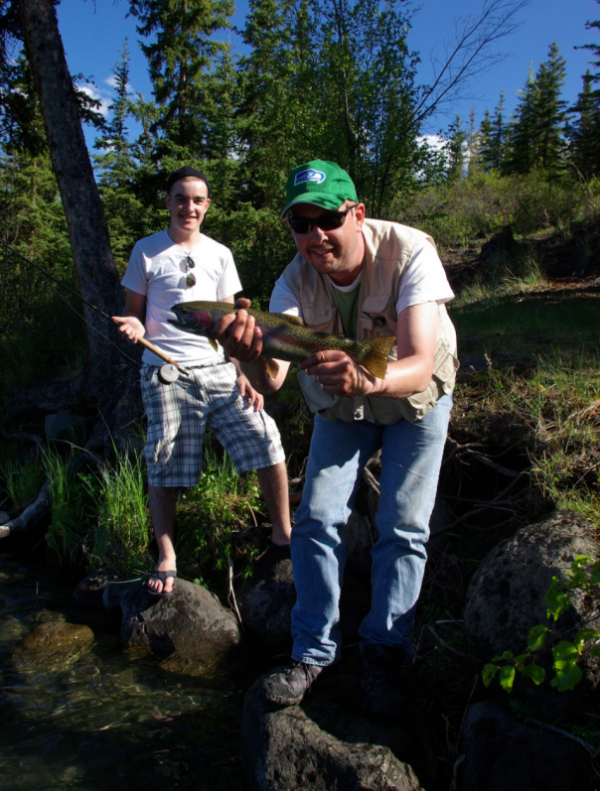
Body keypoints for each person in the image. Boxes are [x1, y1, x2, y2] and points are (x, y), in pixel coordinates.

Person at [212, 159, 457, 718]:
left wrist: (367, 376)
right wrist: (248, 353)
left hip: (414, 402)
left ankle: (385, 650)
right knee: (317, 519)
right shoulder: (291, 281)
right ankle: (314, 651)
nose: (316, 235)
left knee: (402, 527)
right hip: (344, 410)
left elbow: (418, 365)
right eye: (301, 223)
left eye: (327, 218)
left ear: (357, 214)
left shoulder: (410, 250)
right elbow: (271, 381)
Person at [112, 166, 292, 596]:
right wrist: (135, 328)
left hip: (218, 370)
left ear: (207, 205)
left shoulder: (220, 254)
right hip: (165, 369)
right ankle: (167, 555)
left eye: (197, 200)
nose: (188, 207)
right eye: (180, 198)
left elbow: (231, 325)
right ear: (169, 202)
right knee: (165, 456)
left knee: (264, 435)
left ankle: (284, 536)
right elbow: (133, 311)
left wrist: (243, 372)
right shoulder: (147, 251)